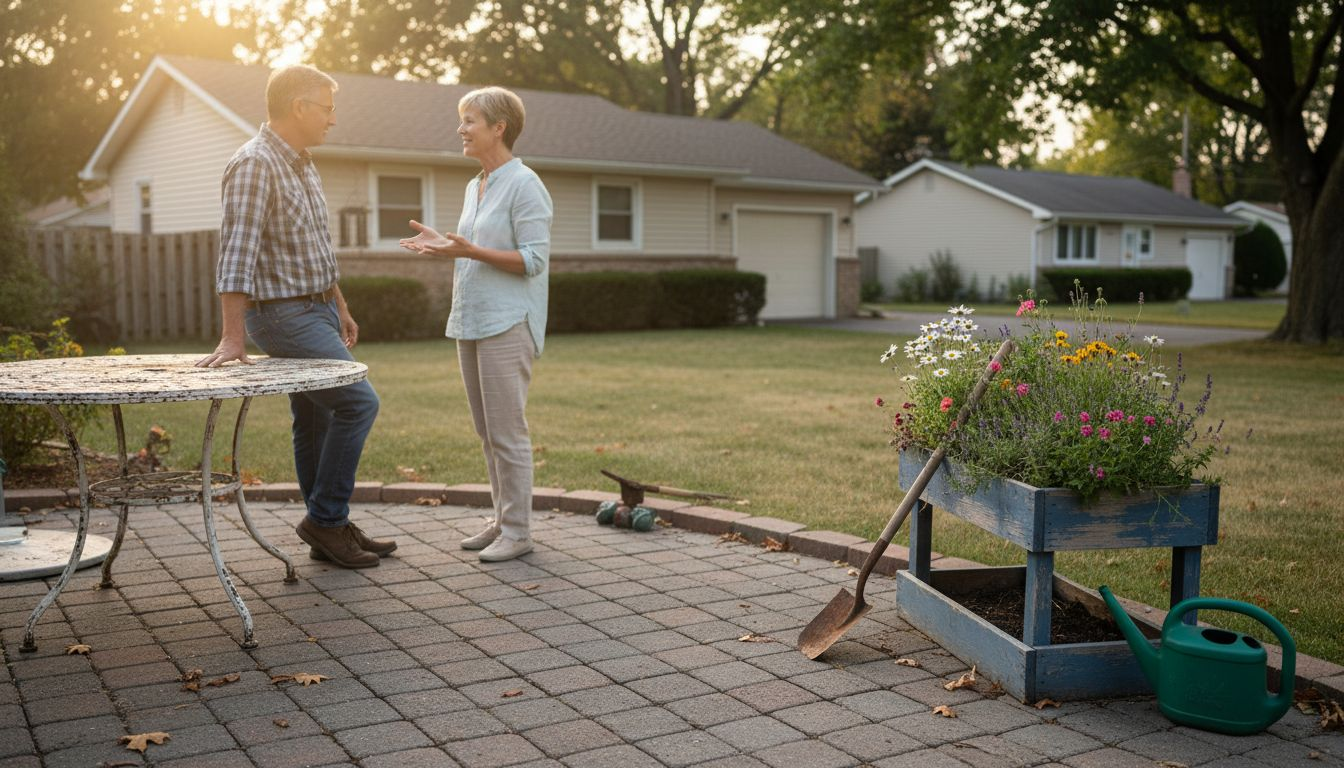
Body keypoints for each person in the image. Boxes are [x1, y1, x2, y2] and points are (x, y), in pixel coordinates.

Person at [197, 64, 392, 569]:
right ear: (299, 107)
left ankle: (327, 524)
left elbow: (315, 247)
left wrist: (340, 307)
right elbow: (237, 253)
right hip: (283, 315)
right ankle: (326, 520)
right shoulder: (255, 163)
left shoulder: (302, 162)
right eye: (327, 108)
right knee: (358, 404)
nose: (332, 119)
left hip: (317, 308)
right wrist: (232, 336)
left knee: (316, 417)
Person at [399, 86, 553, 563]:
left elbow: (532, 261)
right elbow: (473, 247)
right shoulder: (476, 185)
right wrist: (444, 242)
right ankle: (503, 519)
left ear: (498, 128)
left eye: (470, 121)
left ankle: (519, 531)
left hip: (509, 322)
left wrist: (466, 249)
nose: (461, 129)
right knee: (487, 432)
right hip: (471, 319)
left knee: (508, 432)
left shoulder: (525, 184)